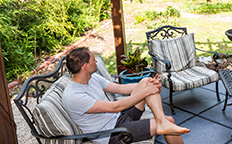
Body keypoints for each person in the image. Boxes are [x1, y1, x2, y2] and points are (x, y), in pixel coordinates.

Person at [62, 47, 190, 144]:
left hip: (119, 117)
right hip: (110, 133)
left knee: (146, 81)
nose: (96, 61)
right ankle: (164, 123)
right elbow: (115, 107)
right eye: (93, 59)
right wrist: (147, 91)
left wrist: (151, 85)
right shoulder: (74, 96)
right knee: (170, 121)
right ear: (85, 67)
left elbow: (120, 88)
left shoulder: (92, 77)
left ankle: (162, 122)